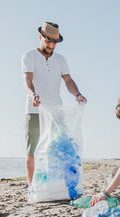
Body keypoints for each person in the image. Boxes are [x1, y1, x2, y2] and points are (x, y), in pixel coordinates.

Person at [22, 22, 87, 185]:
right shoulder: (29, 56)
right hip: (34, 110)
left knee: (57, 150)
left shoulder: (60, 60)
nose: (51, 45)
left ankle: (54, 186)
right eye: (48, 41)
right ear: (40, 37)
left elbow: (68, 80)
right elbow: (27, 79)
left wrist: (77, 94)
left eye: (55, 42)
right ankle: (32, 188)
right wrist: (33, 95)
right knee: (33, 151)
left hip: (56, 112)